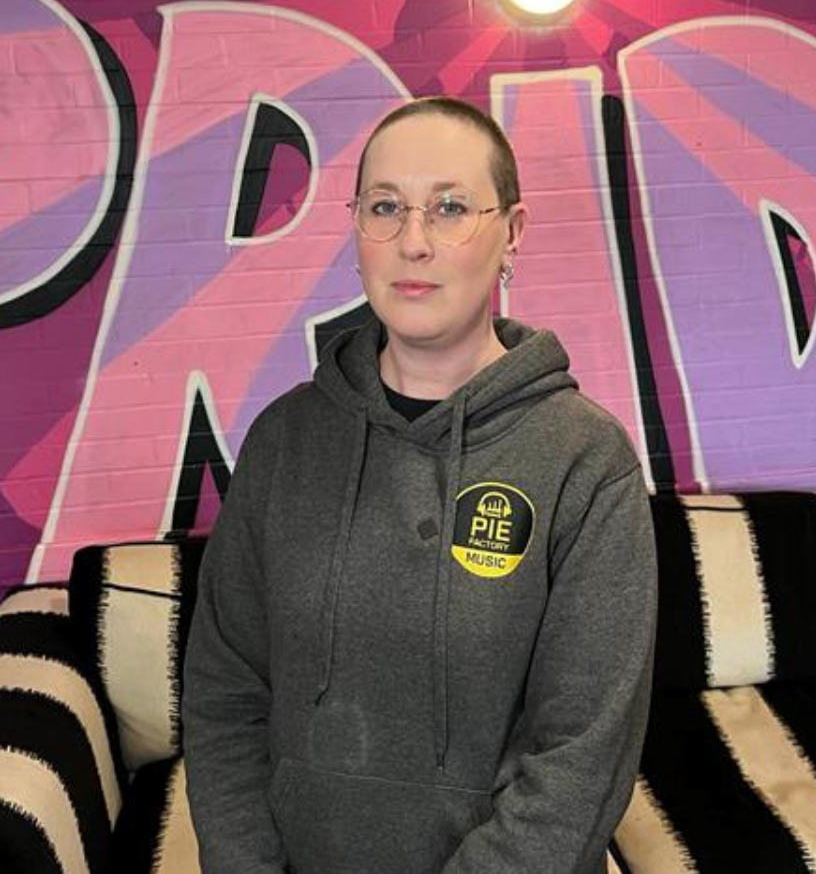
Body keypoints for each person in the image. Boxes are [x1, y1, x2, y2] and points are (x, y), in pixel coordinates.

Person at [182, 96, 657, 874]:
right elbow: (223, 691)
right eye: (385, 208)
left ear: (513, 233)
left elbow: (582, 755)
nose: (414, 241)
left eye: (450, 208)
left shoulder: (586, 461)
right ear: (357, 229)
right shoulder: (283, 443)